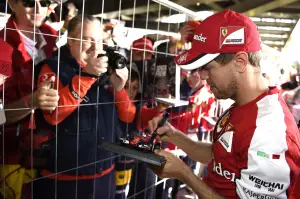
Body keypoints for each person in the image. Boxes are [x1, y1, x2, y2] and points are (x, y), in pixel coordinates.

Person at [148, 9, 300, 199]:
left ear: (240, 61)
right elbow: (220, 156)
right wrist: (175, 136)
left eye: (207, 67)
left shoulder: (268, 131)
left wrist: (185, 174)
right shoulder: (244, 105)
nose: (202, 76)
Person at [33, 15, 130, 199]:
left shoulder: (106, 70)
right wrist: (87, 76)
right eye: (88, 40)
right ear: (71, 39)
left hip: (106, 176)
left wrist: (119, 89)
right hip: (66, 182)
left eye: (100, 40)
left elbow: (129, 117)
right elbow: (52, 115)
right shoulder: (53, 67)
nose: (96, 47)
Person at [0, 0, 59, 198]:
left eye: (44, 2)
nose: (38, 8)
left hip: (52, 153)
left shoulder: (53, 40)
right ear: (12, 4)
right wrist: (32, 101)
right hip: (11, 157)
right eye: (28, 2)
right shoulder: (1, 46)